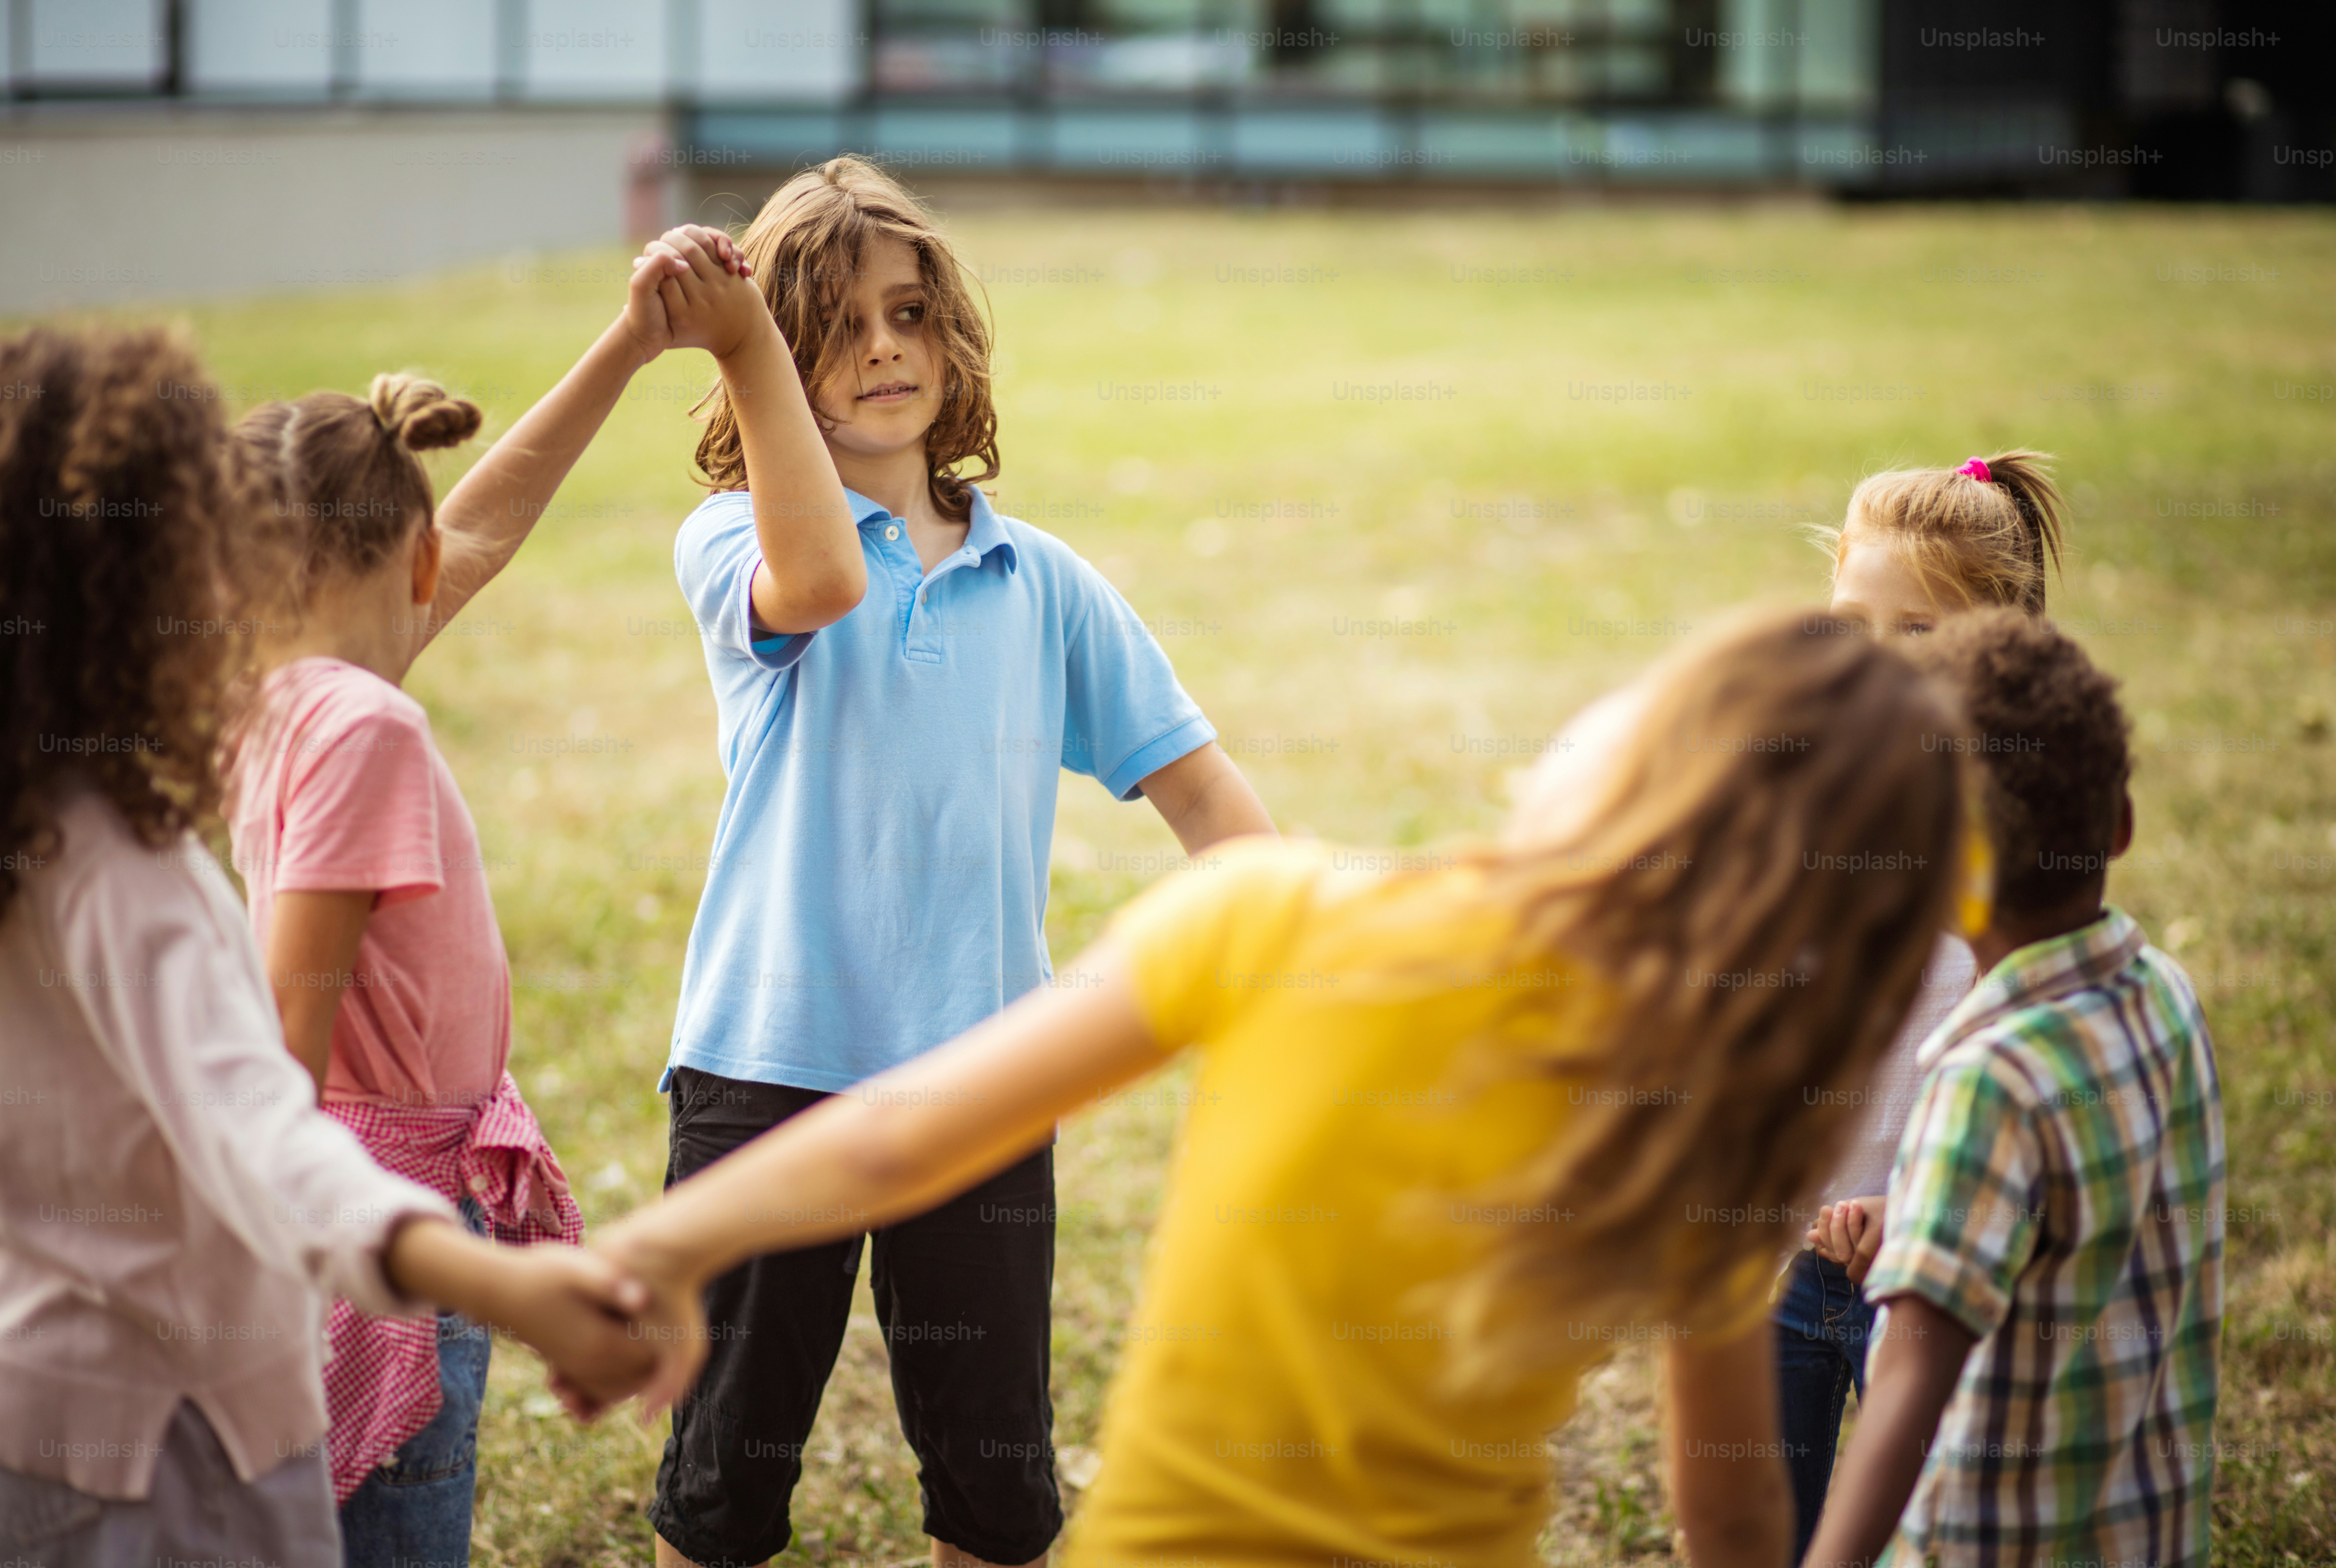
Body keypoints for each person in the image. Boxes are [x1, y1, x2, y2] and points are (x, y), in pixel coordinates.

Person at [596, 608, 1978, 1568]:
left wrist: (664, 1242)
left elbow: (899, 1134)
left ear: (1617, 772)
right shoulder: (1714, 1131)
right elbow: (1731, 1516)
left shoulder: (1275, 922)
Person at [639, 159, 1273, 1568]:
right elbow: (819, 585)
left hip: (985, 1087)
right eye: (835, 323)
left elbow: (1209, 802)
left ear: (956, 339)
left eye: (912, 314)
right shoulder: (732, 540)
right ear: (767, 362)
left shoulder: (1040, 579)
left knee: (995, 1491)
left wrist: (1303, 975)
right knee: (723, 1485)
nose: (882, 348)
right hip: (766, 1076)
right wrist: (739, 345)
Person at [0, 324, 657, 1568]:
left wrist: (626, 349)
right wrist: (488, 1278)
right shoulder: (326, 737)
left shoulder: (165, 749)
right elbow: (269, 1089)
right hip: (267, 1322)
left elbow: (473, 537)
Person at [221, 226, 752, 1567]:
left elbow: (488, 525)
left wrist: (633, 343)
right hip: (380, 1219)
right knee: (399, 1521)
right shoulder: (364, 728)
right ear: (411, 565)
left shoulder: (275, 698)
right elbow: (295, 1013)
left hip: (359, 1196)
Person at [1804, 609, 2224, 1568]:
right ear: (2120, 822)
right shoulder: (2168, 999)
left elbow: (1908, 1383)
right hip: (2145, 1535)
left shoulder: (1986, 1081)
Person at [1775, 449, 2068, 1561]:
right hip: (1780, 1254)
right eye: (1851, 624)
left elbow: (2025, 1064)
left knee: (1929, 1531)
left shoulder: (2020, 843)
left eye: (1919, 635)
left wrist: (1915, 1206)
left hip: (1932, 1265)